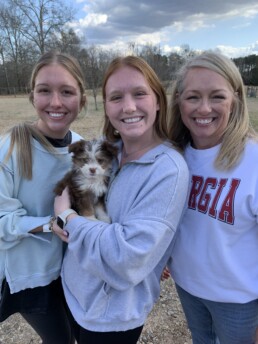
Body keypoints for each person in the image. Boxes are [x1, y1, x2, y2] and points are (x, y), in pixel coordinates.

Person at [52, 55, 189, 344]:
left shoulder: (168, 170)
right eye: (116, 97)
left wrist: (69, 218)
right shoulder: (108, 151)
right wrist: (63, 218)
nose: (128, 106)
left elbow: (126, 260)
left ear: (158, 101)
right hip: (75, 294)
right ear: (106, 105)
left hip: (110, 318)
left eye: (139, 93)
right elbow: (78, 194)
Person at [167, 51, 258, 343]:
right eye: (193, 97)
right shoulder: (172, 156)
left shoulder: (253, 160)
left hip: (239, 300)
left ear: (235, 99)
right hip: (188, 288)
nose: (204, 108)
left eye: (217, 96)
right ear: (178, 101)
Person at [0, 50, 87, 344]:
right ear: (32, 96)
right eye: (44, 91)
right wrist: (50, 224)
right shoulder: (12, 147)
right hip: (34, 277)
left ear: (82, 98)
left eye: (67, 92)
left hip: (75, 273)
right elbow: (2, 222)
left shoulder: (82, 148)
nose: (56, 102)